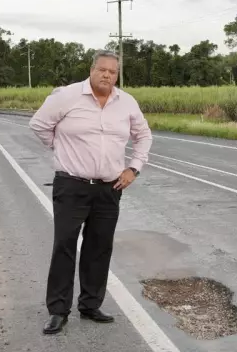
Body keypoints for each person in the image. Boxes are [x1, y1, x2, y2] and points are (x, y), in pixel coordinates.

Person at [28, 50, 153, 335]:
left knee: (99, 247)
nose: (107, 75)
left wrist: (134, 168)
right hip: (72, 185)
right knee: (65, 245)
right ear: (92, 69)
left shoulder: (127, 102)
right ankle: (58, 310)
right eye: (102, 69)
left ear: (117, 75)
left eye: (112, 71)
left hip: (110, 188)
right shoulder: (67, 96)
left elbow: (144, 135)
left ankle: (90, 304)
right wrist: (59, 147)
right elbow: (39, 124)